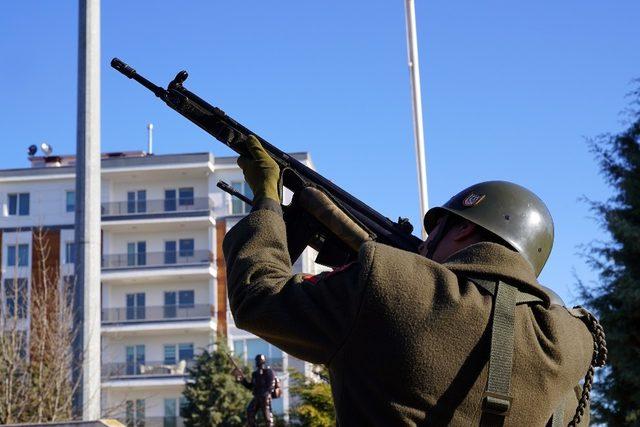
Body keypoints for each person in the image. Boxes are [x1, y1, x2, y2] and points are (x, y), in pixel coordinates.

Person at [223, 136, 605, 426]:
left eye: (437, 228)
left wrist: (266, 199)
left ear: (463, 232)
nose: (424, 243)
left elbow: (259, 295)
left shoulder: (391, 287)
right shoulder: (566, 343)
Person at [235, 354, 276, 427]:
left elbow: (271, 386)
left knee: (267, 417)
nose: (257, 362)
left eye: (258, 361)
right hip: (257, 396)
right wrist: (242, 380)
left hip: (265, 397)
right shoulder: (255, 374)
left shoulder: (269, 372)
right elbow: (251, 386)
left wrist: (266, 395)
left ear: (263, 361)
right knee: (249, 411)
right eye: (256, 361)